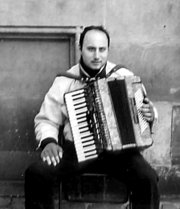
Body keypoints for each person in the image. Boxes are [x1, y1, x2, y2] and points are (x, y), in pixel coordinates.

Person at [25, 25, 160, 209]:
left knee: (148, 179)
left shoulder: (124, 76)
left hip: (120, 154)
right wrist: (49, 141)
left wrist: (150, 116)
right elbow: (46, 119)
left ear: (107, 50)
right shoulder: (65, 81)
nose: (97, 55)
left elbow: (144, 115)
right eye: (91, 49)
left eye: (102, 49)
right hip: (77, 152)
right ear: (81, 48)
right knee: (36, 173)